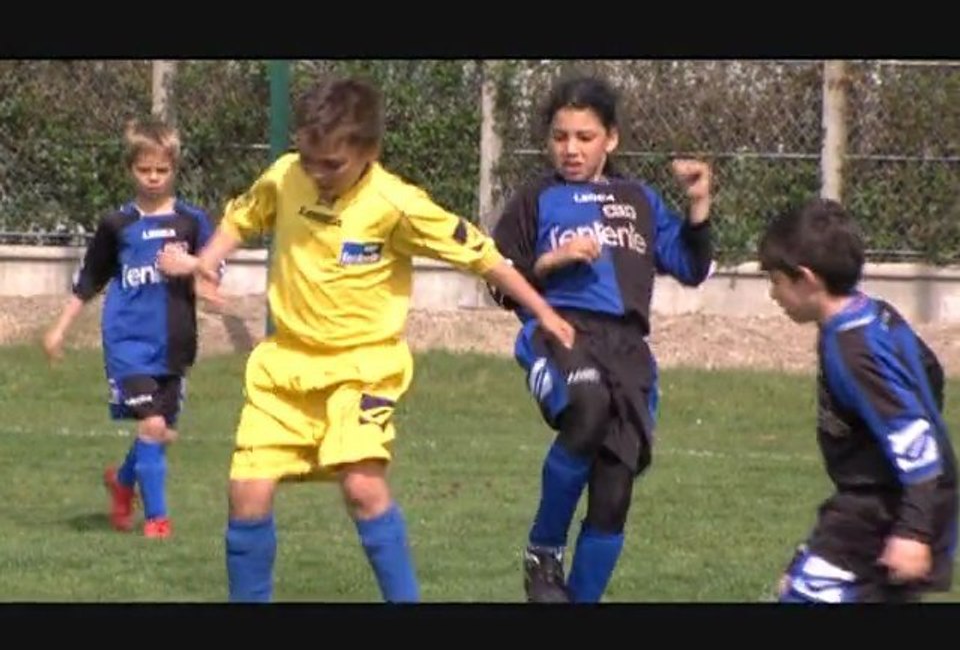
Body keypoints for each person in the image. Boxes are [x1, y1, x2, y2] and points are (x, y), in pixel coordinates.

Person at [156, 75, 575, 603]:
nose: (318, 174)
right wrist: (209, 262)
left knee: (362, 485)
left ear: (369, 151)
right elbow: (246, 215)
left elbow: (481, 254)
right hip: (284, 366)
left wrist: (542, 310)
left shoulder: (395, 203)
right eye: (309, 159)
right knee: (247, 495)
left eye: (332, 164)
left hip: (363, 368)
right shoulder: (287, 176)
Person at [489, 74, 714, 602]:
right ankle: (543, 552)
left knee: (614, 493)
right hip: (559, 330)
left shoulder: (638, 198)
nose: (570, 148)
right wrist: (551, 260)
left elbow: (691, 265)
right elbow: (499, 281)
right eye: (560, 136)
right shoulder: (535, 198)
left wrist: (699, 204)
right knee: (586, 409)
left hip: (628, 352)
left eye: (584, 137)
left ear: (610, 139)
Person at [759, 198, 957, 602]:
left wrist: (913, 531)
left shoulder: (853, 351)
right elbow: (931, 373)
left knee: (801, 595)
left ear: (806, 279)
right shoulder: (877, 313)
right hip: (877, 500)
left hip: (883, 508)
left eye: (776, 281)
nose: (772, 294)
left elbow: (913, 438)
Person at [43, 116, 219, 539]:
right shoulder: (116, 225)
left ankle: (123, 483)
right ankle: (158, 520)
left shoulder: (192, 222)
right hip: (127, 343)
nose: (153, 178)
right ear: (130, 169)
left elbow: (215, 267)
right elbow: (89, 280)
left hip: (175, 343)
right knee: (154, 427)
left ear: (175, 168)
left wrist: (198, 273)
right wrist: (60, 329)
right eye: (145, 170)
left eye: (162, 170)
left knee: (160, 432)